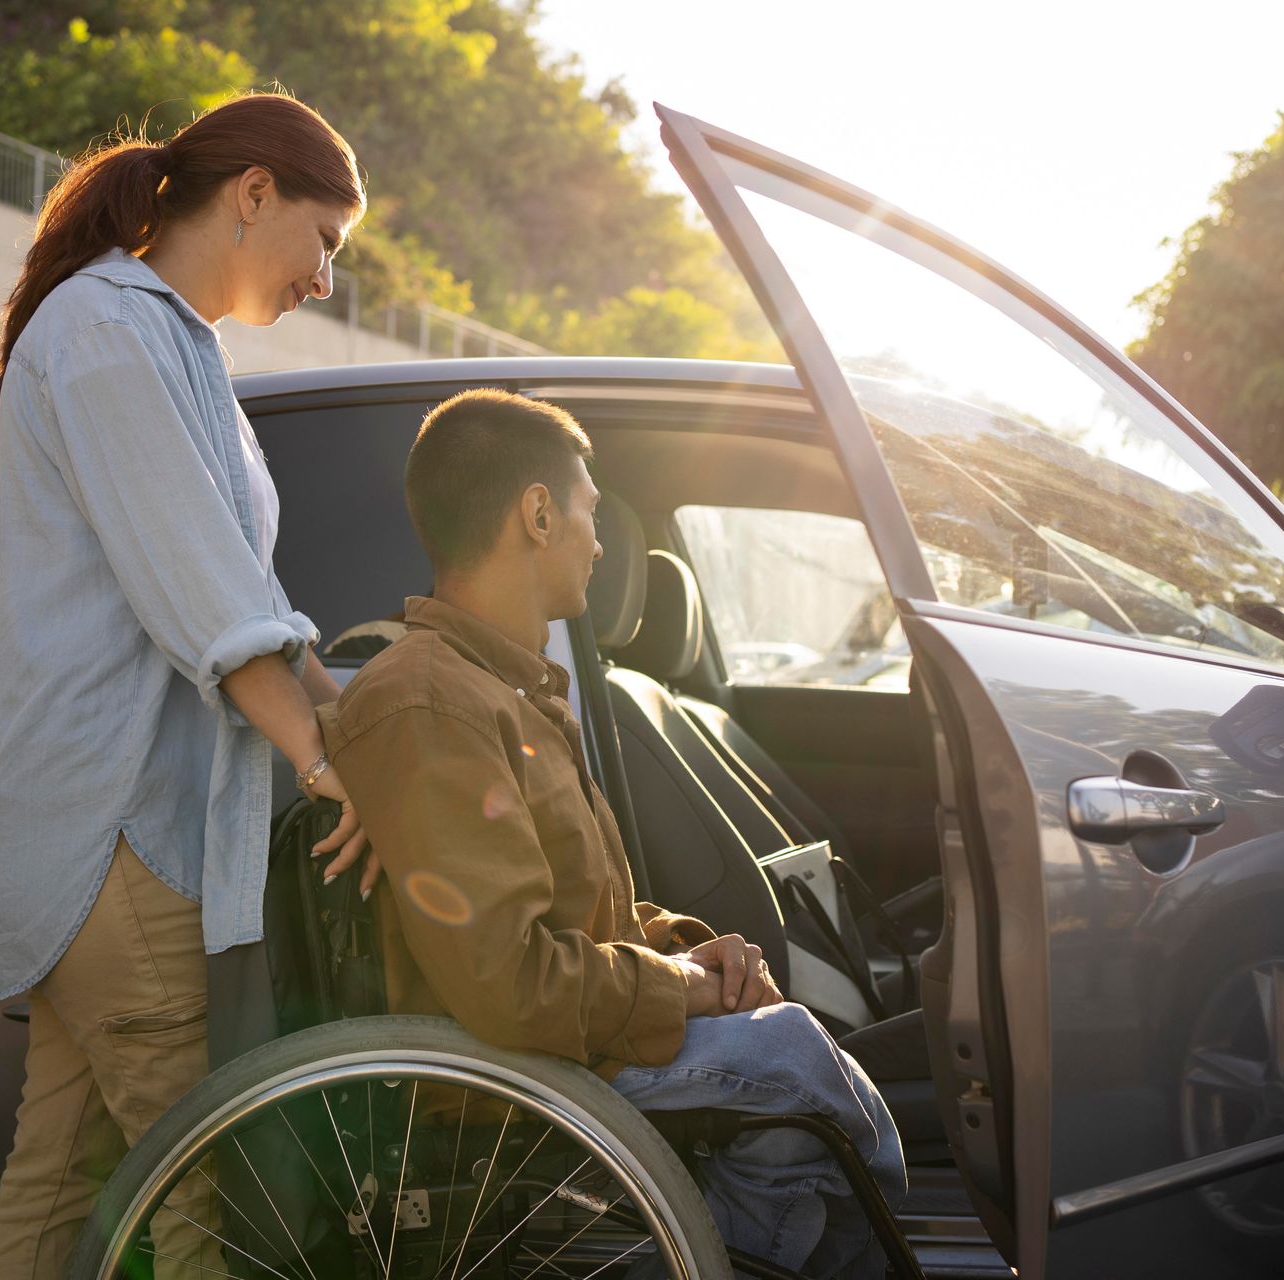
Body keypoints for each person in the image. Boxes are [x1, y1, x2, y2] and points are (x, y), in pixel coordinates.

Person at [316, 388, 905, 1277]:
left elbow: (578, 916)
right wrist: (680, 992)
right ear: (539, 514)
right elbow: (508, 983)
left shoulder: (510, 691)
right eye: (591, 513)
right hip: (503, 1076)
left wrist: (686, 954)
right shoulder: (432, 702)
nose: (599, 541)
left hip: (567, 1036)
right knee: (791, 1065)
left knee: (791, 1039)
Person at [0, 92, 373, 1278]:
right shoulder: (106, 331)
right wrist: (330, 765)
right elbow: (214, 606)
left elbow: (250, 599)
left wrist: (363, 714)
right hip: (116, 839)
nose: (327, 281)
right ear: (252, 195)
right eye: (325, 241)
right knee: (200, 1210)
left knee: (54, 1183)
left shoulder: (172, 341)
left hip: (109, 838)